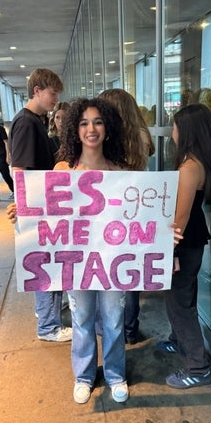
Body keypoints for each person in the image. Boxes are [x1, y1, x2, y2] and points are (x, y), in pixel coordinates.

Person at [54, 97, 130, 404]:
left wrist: (162, 230)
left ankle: (115, 374)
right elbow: (48, 214)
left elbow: (136, 215)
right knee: (81, 317)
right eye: (84, 122)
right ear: (75, 130)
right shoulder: (63, 169)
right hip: (78, 260)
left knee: (113, 319)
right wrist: (23, 213)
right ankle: (83, 375)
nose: (91, 128)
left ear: (107, 129)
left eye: (98, 121)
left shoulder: (123, 171)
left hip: (112, 260)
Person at [157, 103, 211, 389]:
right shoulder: (202, 161)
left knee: (178, 304)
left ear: (186, 131)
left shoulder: (189, 167)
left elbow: (178, 220)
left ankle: (199, 368)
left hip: (184, 244)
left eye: (174, 126)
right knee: (185, 298)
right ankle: (178, 341)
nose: (171, 131)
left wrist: (170, 253)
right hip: (194, 241)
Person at [8, 67, 72, 343]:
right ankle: (49, 326)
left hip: (40, 202)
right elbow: (18, 169)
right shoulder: (26, 122)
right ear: (37, 90)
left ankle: (47, 314)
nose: (56, 99)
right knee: (47, 263)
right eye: (53, 93)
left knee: (45, 263)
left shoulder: (34, 120)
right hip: (39, 204)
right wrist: (26, 205)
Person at [98, 88, 155, 344]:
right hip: (136, 211)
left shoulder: (112, 139)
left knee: (111, 269)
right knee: (130, 271)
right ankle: (130, 328)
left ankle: (114, 327)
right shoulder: (141, 136)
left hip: (111, 210)